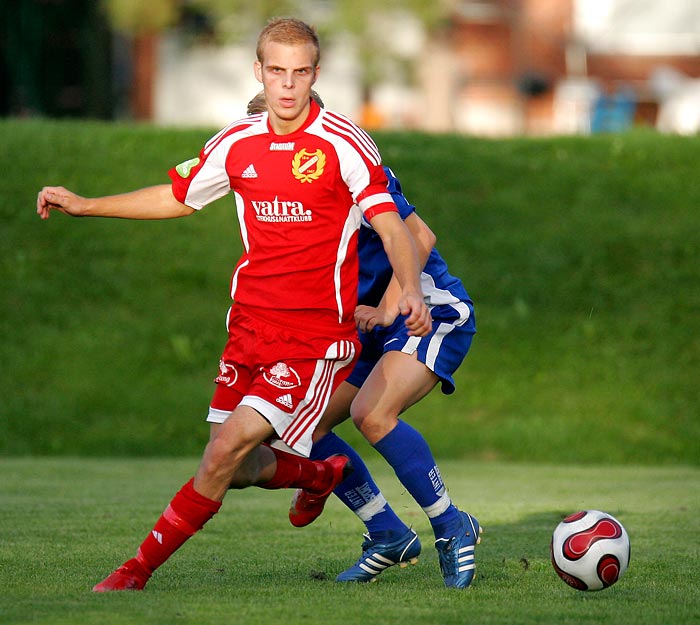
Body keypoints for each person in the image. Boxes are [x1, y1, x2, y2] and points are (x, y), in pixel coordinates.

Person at [36, 17, 431, 592]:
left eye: (300, 73)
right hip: (248, 328)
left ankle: (133, 572)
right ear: (259, 73)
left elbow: (393, 228)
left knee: (221, 453)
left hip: (314, 338)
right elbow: (177, 197)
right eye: (277, 71)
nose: (288, 85)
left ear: (315, 75)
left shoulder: (345, 144)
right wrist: (86, 204)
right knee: (239, 465)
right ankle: (321, 472)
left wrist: (410, 289)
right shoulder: (236, 142)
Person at [246, 90, 482, 589]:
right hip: (366, 328)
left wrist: (393, 302)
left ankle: (451, 524)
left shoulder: (347, 167)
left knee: (371, 414)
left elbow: (418, 239)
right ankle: (387, 531)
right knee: (297, 423)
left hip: (427, 309)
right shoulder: (274, 202)